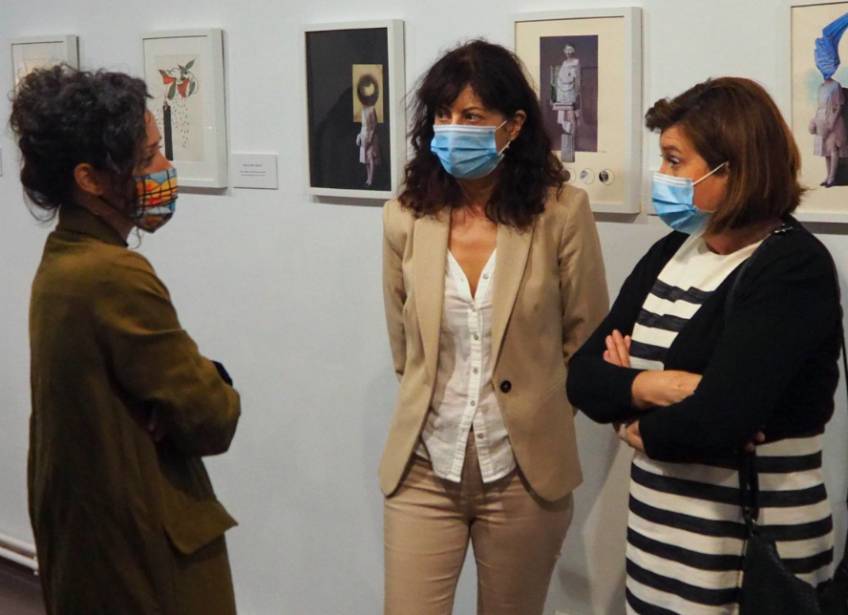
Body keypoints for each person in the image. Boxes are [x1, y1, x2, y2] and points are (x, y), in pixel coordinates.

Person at [567, 77, 841, 614]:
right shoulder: (673, 249)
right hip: (659, 545)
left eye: (674, 161)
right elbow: (583, 377)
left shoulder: (792, 266)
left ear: (734, 169)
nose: (661, 176)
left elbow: (720, 419)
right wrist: (661, 386)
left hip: (751, 553)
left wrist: (633, 418)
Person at [380, 40, 608, 615]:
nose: (452, 129)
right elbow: (404, 346)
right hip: (426, 462)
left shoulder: (562, 212)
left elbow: (585, 338)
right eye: (442, 115)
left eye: (471, 116)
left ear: (514, 125)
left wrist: (538, 414)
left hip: (522, 471)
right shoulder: (405, 214)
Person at [11, 65, 241, 615]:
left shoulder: (63, 260)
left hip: (93, 544)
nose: (164, 170)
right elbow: (212, 416)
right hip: (143, 552)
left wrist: (170, 400)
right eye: (148, 157)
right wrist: (209, 381)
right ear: (90, 179)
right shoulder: (113, 274)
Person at [809, 76, 848, 187]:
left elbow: (839, 107)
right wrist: (815, 120)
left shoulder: (836, 85)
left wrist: (832, 122)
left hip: (834, 119)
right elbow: (819, 107)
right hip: (822, 119)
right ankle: (828, 176)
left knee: (833, 148)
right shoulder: (821, 87)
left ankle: (832, 177)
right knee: (826, 150)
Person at [356, 74, 381, 187]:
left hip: (371, 136)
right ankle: (367, 179)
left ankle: (371, 179)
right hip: (363, 134)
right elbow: (363, 125)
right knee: (365, 158)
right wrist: (359, 135)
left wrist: (370, 137)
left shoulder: (372, 109)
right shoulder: (363, 110)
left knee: (371, 157)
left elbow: (374, 125)